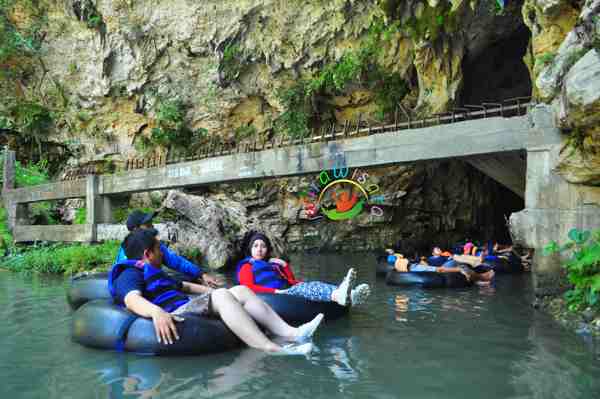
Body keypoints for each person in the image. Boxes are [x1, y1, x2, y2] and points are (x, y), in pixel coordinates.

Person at [109, 228, 324, 355]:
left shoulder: (155, 271)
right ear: (147, 254)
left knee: (238, 290)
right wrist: (156, 313)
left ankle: (292, 333)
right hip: (176, 314)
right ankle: (270, 348)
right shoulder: (128, 273)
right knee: (221, 297)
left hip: (185, 303)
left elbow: (184, 286)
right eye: (159, 249)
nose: (162, 253)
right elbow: (132, 299)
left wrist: (219, 289)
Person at [236, 233, 370, 306]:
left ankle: (349, 294)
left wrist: (284, 265)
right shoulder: (247, 266)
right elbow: (248, 288)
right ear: (250, 249)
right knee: (303, 289)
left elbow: (290, 280)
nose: (259, 249)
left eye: (263, 246)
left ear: (267, 249)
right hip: (273, 296)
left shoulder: (272, 265)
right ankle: (338, 295)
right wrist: (276, 291)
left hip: (286, 290)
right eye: (255, 246)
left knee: (314, 284)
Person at [115, 210, 221, 288]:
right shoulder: (128, 253)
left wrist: (201, 274)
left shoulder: (152, 244)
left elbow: (177, 262)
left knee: (193, 279)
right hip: (139, 286)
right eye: (148, 224)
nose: (152, 227)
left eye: (151, 223)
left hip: (151, 282)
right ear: (135, 229)